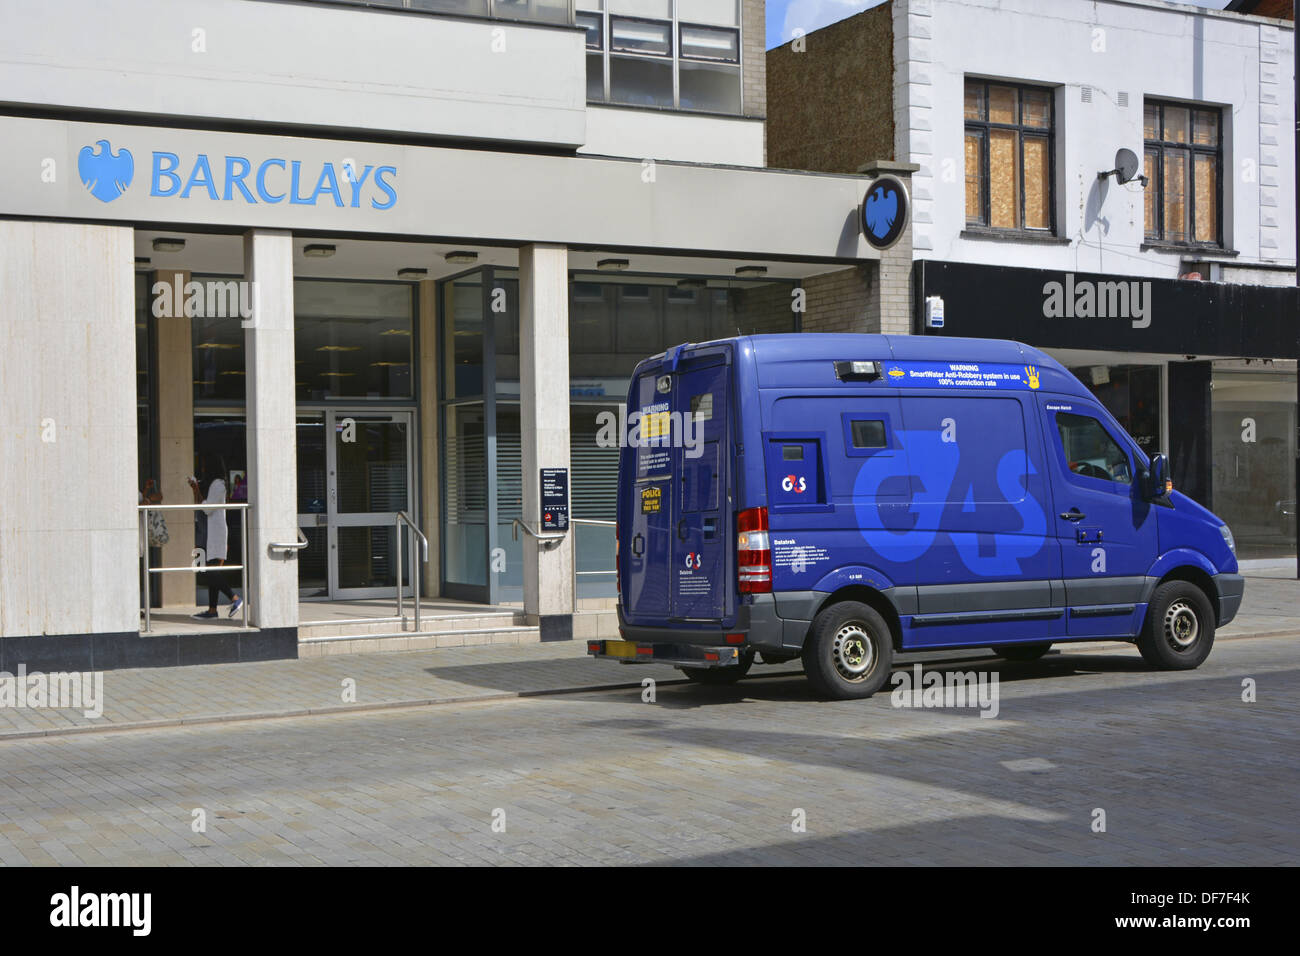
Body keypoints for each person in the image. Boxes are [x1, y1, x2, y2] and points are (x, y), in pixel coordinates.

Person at [189, 460, 243, 620]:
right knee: (210, 570)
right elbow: (200, 505)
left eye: (205, 467)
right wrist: (196, 489)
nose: (203, 470)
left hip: (215, 534)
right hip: (207, 533)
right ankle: (212, 610)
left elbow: (206, 509)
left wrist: (199, 491)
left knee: (210, 571)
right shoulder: (211, 485)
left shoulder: (218, 485)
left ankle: (234, 598)